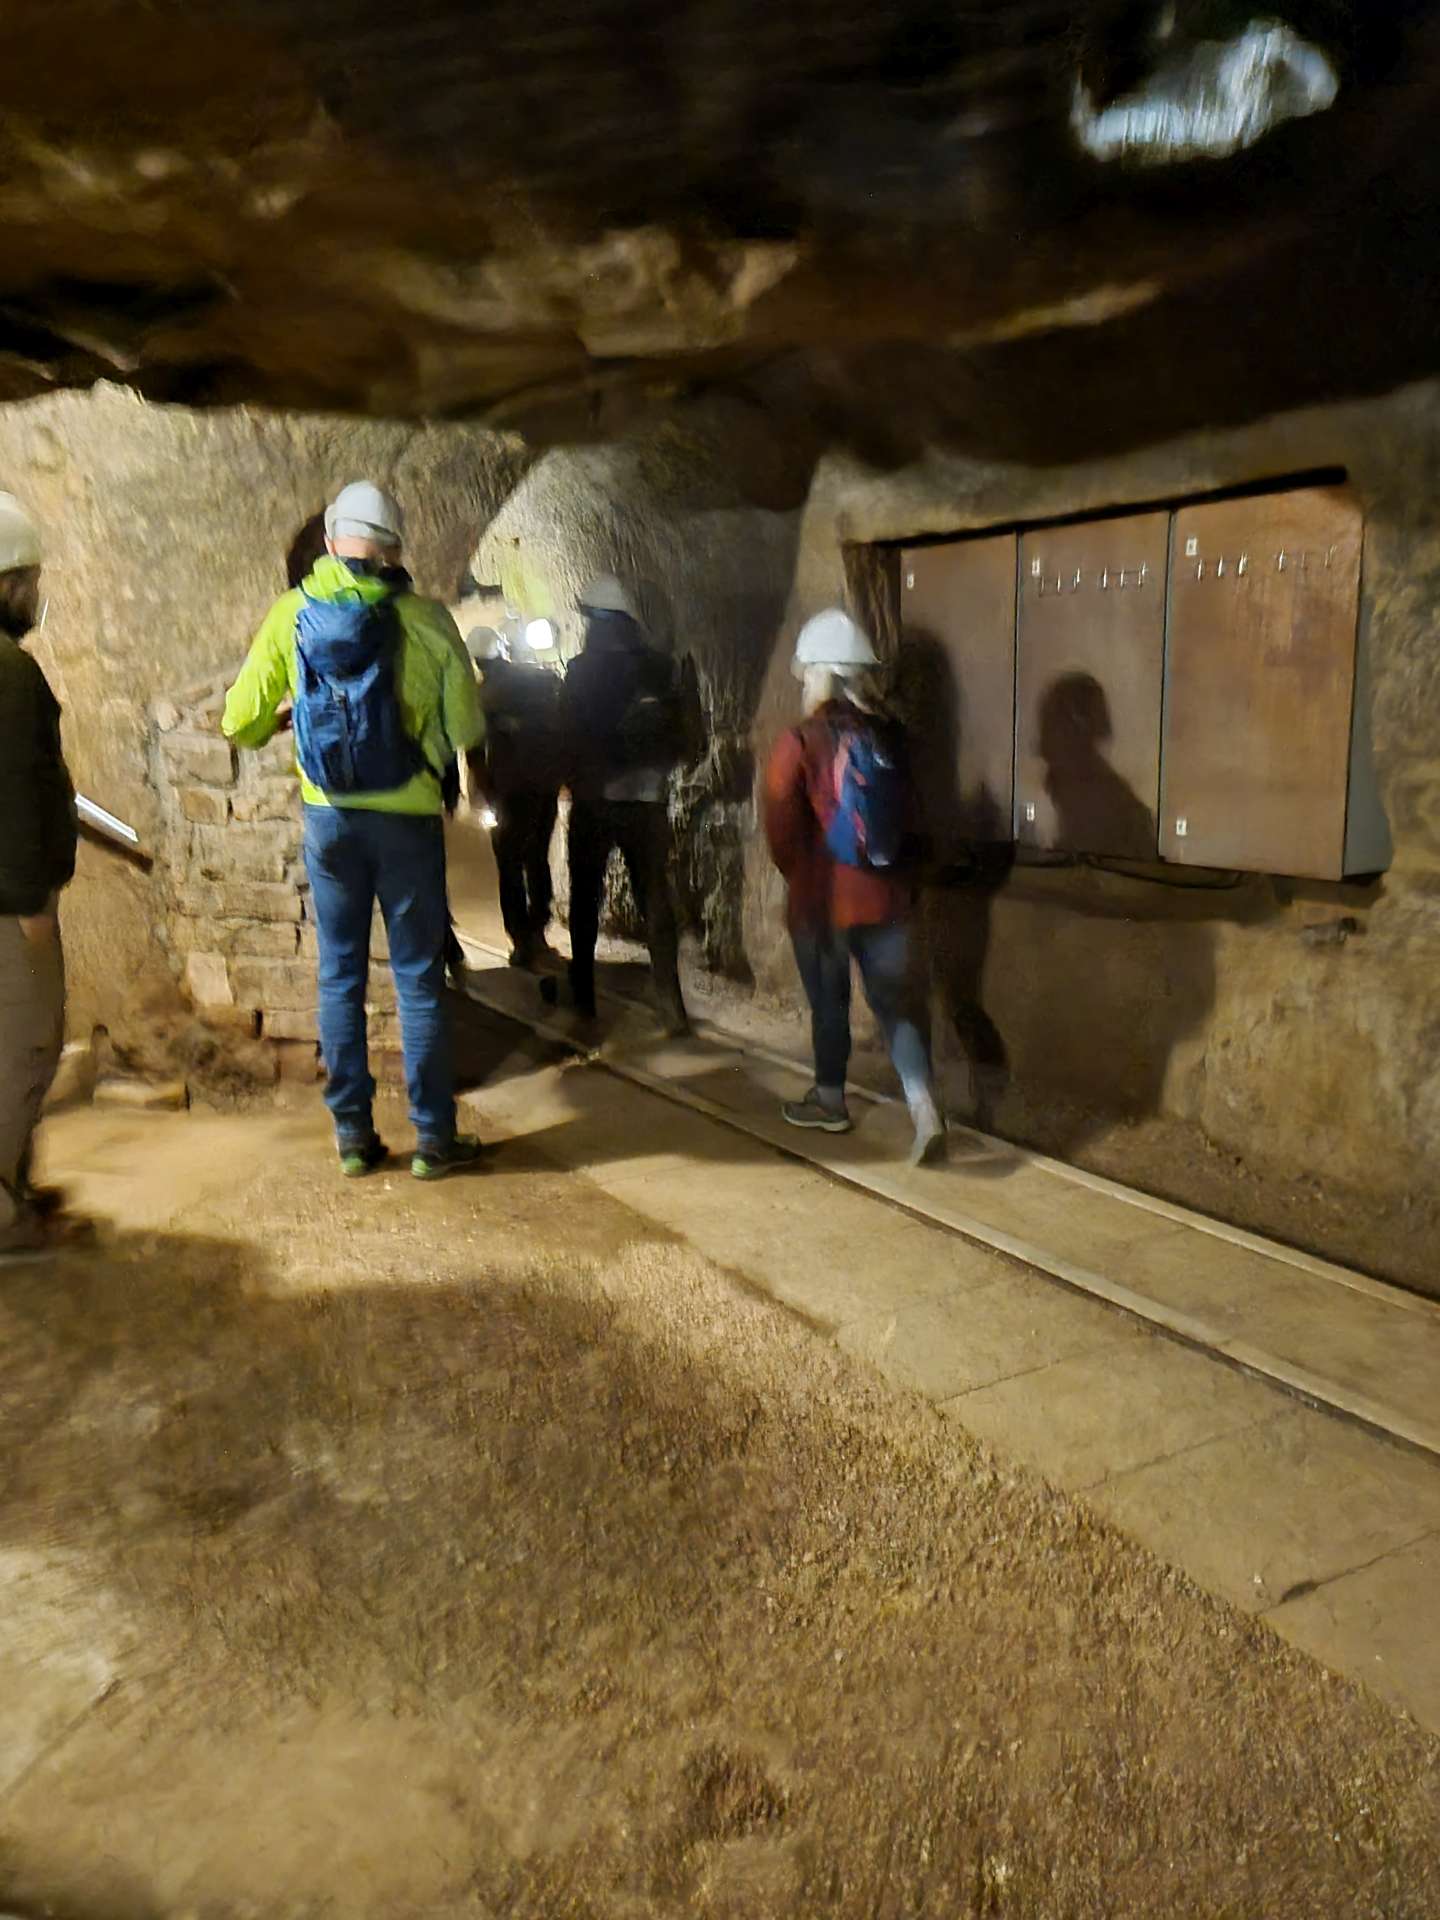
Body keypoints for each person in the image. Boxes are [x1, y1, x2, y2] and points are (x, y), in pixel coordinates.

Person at [223, 482, 485, 1180]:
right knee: (418, 979)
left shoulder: (291, 614)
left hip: (330, 818)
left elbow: (238, 721)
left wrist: (283, 717)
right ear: (394, 546)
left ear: (332, 540)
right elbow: (467, 727)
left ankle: (352, 1137)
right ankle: (434, 1139)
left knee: (339, 974)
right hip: (406, 821)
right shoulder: (426, 619)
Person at [763, 608, 945, 1166]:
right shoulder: (889, 738)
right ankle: (925, 1111)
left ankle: (829, 1101)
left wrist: (803, 880)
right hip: (885, 900)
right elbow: (913, 818)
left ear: (820, 672)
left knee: (829, 1004)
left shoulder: (799, 741)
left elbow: (780, 828)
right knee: (897, 1008)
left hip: (823, 900)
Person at [561, 575, 692, 1034]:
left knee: (585, 898)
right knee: (655, 897)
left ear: (595, 621)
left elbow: (568, 736)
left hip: (596, 798)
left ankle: (583, 997)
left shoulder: (581, 671)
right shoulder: (661, 667)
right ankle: (670, 1003)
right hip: (648, 798)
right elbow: (682, 734)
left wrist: (573, 780)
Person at [0, 493, 79, 1254]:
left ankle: (14, 1190)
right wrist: (32, 902)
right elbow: (18, 791)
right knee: (25, 1045)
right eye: (27, 580)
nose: (35, 594)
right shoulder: (9, 673)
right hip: (7, 904)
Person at [470, 622, 565, 969]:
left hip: (509, 790)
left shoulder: (482, 696)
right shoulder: (537, 680)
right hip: (544, 785)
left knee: (509, 864)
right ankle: (538, 930)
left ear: (477, 661)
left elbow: (474, 750)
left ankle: (521, 939)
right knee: (537, 857)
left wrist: (484, 793)